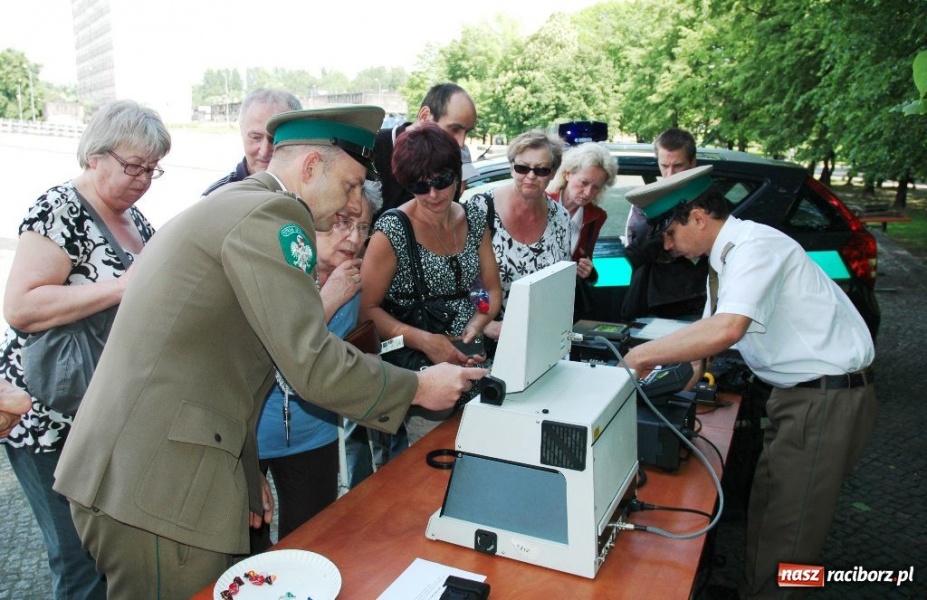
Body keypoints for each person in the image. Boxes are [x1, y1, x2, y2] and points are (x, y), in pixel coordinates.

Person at [52, 106, 486, 598]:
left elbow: (219, 365)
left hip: (156, 475)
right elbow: (310, 360)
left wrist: (241, 469)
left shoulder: (239, 203)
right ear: (311, 168)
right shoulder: (273, 214)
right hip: (157, 487)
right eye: (349, 185)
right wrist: (418, 387)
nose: (352, 203)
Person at [621, 166, 878, 599]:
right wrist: (649, 400)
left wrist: (638, 357)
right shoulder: (724, 259)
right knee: (770, 504)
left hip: (825, 398)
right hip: (798, 395)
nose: (668, 247)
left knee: (793, 526)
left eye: (669, 235)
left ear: (698, 217)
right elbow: (700, 349)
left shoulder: (755, 247)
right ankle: (752, 590)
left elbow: (727, 330)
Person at [1, 99, 169, 599]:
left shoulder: (134, 218)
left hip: (101, 413)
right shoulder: (59, 209)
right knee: (78, 558)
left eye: (153, 168)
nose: (143, 179)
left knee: (109, 551)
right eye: (133, 166)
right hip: (48, 415)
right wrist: (120, 287)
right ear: (95, 156)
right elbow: (21, 306)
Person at [254, 181, 381, 547]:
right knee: (247, 553)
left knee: (314, 542)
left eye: (363, 227)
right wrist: (328, 300)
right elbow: (266, 353)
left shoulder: (354, 278)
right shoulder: (277, 271)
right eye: (342, 223)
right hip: (252, 435)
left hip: (315, 432)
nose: (353, 238)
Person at [362, 123, 502, 444]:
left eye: (441, 181)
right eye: (419, 186)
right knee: (433, 459)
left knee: (483, 448)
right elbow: (366, 311)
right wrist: (426, 341)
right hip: (420, 374)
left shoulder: (473, 218)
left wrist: (476, 325)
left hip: (471, 358)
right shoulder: (393, 230)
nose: (433, 194)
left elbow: (487, 289)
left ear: (457, 174)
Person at [467, 130, 570, 346]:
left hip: (538, 340)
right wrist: (483, 324)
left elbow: (559, 287)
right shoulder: (480, 208)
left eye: (541, 170)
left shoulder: (561, 217)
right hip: (483, 339)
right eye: (522, 168)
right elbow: (457, 277)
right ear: (511, 167)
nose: (531, 176)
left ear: (553, 173)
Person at [621, 127, 709, 320]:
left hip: (696, 299)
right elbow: (635, 249)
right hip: (653, 299)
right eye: (664, 166)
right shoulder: (645, 201)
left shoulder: (708, 199)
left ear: (693, 162)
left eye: (678, 166)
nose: (670, 174)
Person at [373, 82, 477, 216]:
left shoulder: (454, 156)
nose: (461, 143)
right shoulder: (372, 148)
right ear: (424, 116)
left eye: (442, 181)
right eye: (454, 129)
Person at [548, 142, 617, 322]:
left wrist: (588, 271)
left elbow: (585, 259)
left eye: (596, 187)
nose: (587, 193)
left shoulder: (596, 217)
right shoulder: (541, 202)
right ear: (568, 174)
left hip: (563, 302)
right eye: (584, 182)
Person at [202, 88, 302, 196]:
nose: (264, 151)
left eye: (275, 139)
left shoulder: (310, 193)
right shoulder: (217, 197)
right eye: (255, 138)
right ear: (242, 133)